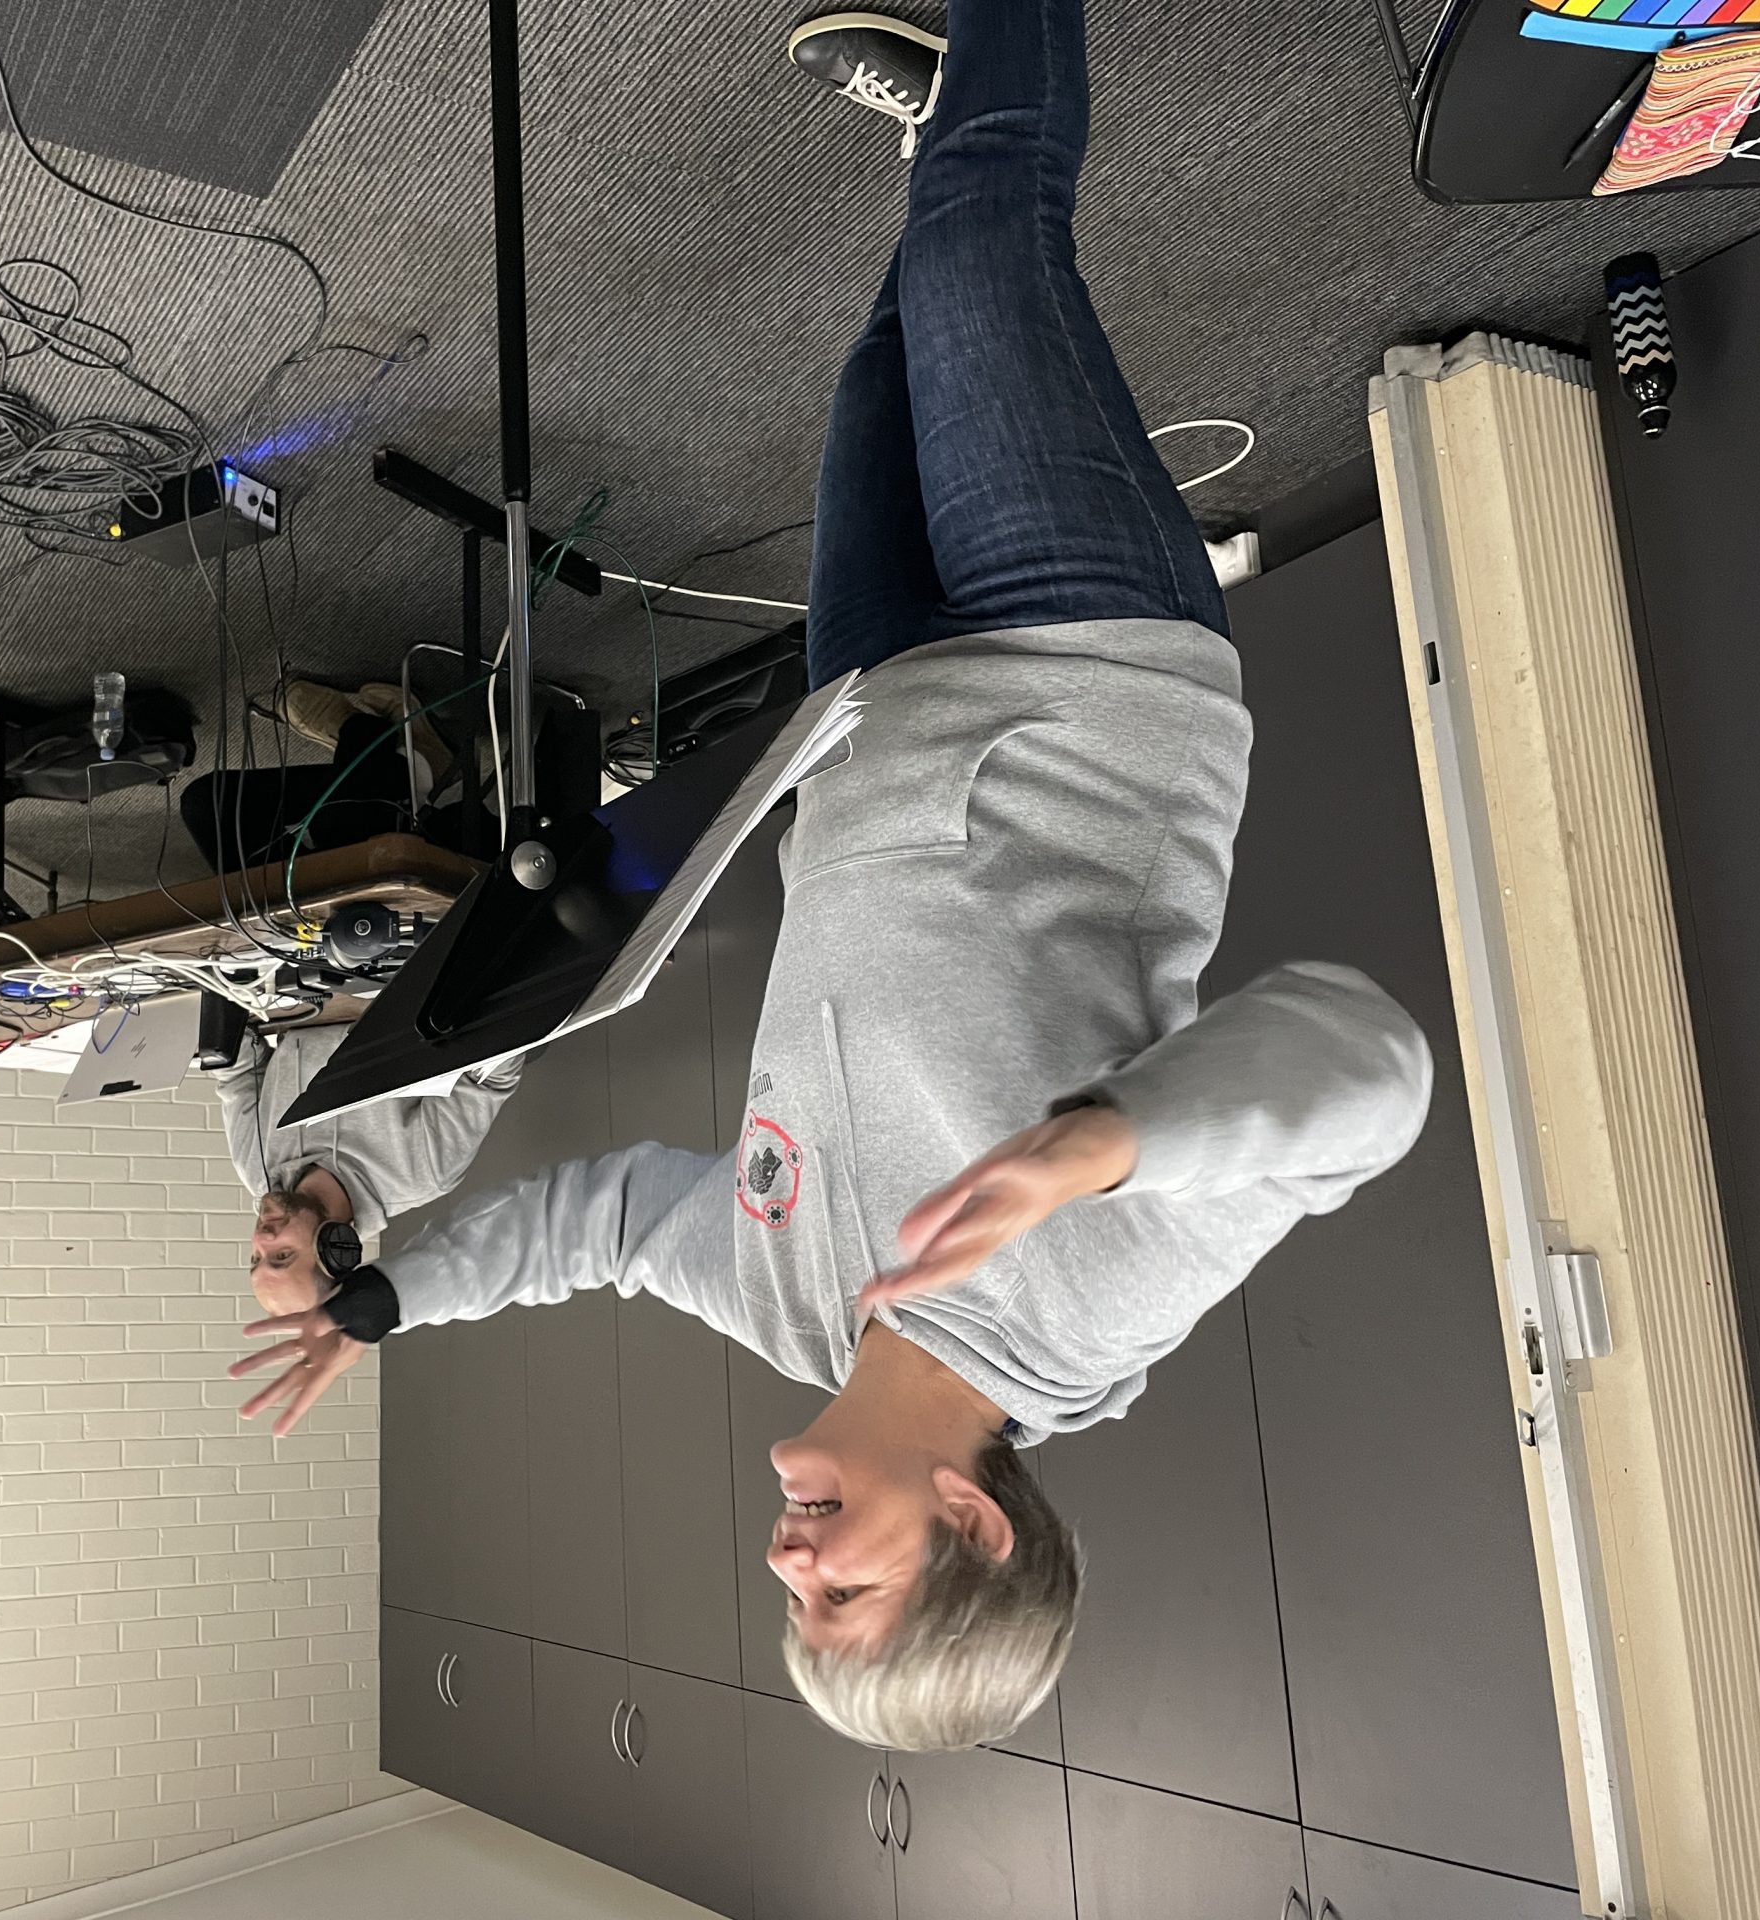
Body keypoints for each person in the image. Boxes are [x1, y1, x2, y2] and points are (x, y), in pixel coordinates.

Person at [227, 0, 1434, 1755]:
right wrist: (1106, 1142)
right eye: (842, 1595)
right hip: (1089, 667)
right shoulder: (1089, 1307)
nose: (788, 1567)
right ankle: (976, 116)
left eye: (789, 1606)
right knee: (987, 226)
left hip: (872, 705)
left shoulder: (794, 1309)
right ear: (972, 1527)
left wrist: (390, 1293)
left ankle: (947, 114)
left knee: (884, 361)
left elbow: (598, 1231)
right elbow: (1370, 1073)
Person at [214, 1019, 520, 1318]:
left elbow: (239, 1071)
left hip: (303, 1001)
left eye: (255, 1258)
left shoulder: (257, 1168)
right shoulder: (420, 1173)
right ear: (334, 1249)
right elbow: (494, 1075)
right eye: (282, 1255)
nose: (262, 1239)